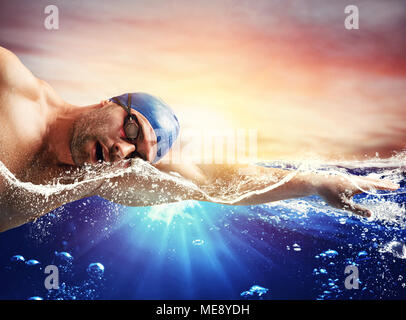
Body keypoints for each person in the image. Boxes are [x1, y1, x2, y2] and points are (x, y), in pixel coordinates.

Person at [0, 46, 399, 232]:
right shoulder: (12, 88)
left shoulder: (105, 174)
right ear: (110, 103)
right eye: (131, 128)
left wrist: (315, 181)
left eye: (136, 154)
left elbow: (215, 182)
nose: (122, 150)